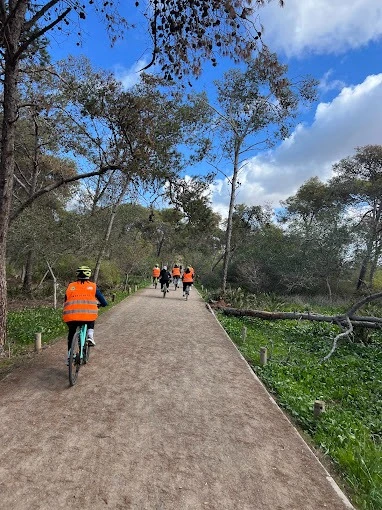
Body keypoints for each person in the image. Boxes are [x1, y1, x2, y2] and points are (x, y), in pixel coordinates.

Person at [62, 266, 108, 364]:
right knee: (91, 314)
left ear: (77, 275)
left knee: (71, 333)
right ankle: (90, 336)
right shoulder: (93, 286)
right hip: (87, 316)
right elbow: (103, 301)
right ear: (89, 275)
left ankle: (70, 355)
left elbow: (66, 300)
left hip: (71, 315)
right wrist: (101, 305)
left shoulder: (71, 286)